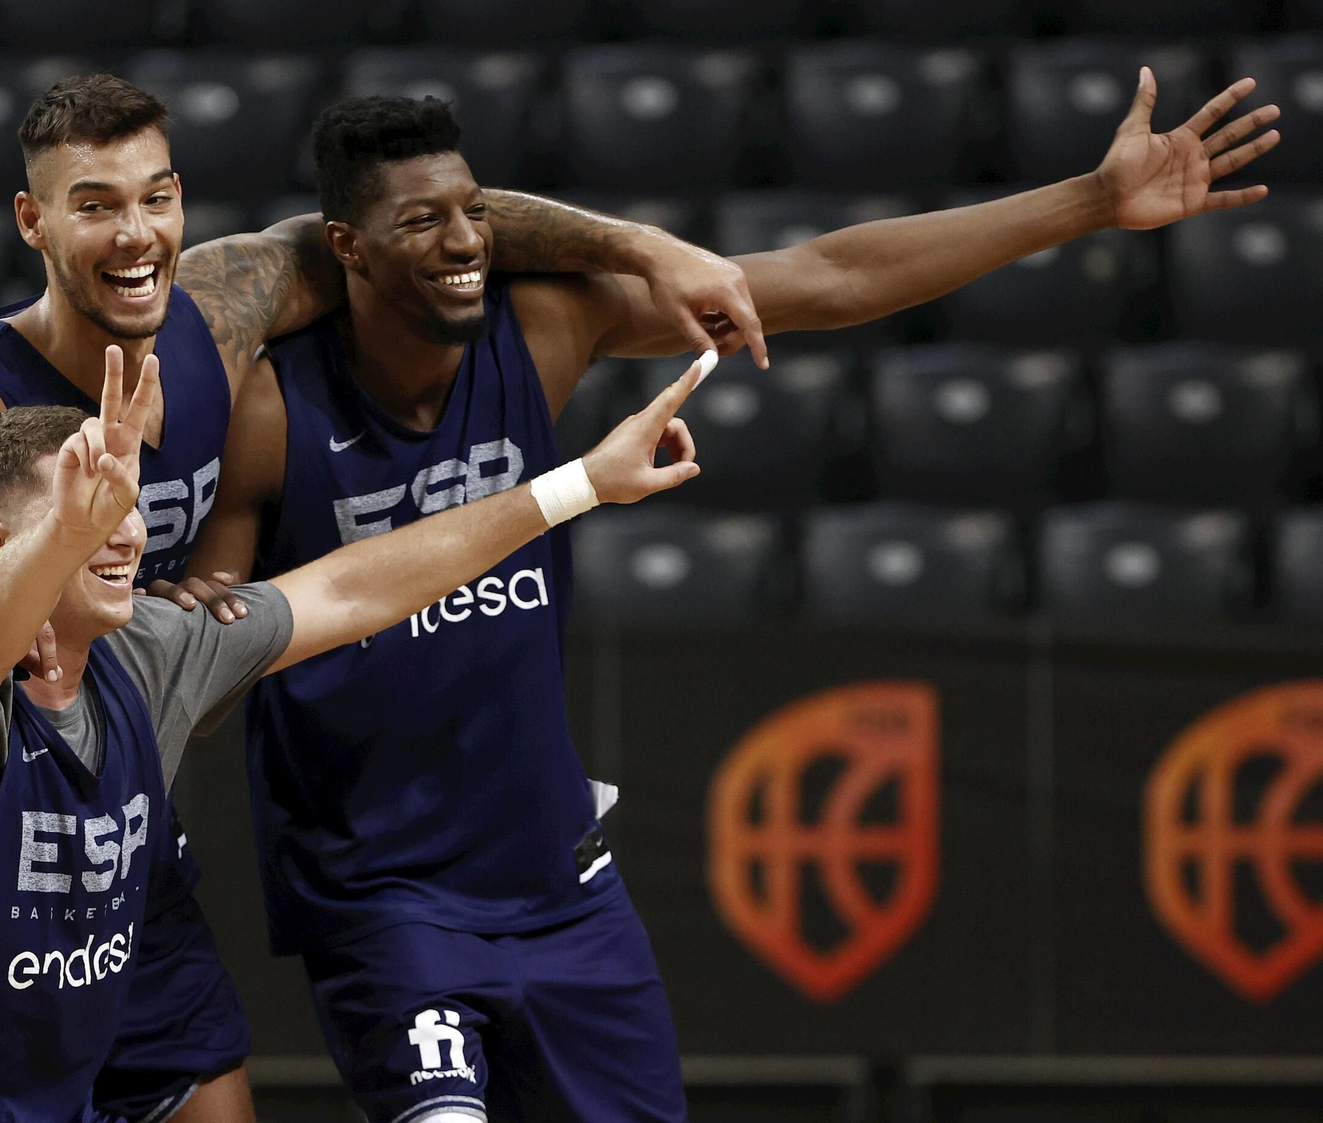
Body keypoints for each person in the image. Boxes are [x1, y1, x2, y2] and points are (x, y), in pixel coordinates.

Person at [178, 75, 1281, 1123]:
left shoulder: (542, 331)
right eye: (422, 224)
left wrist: (1089, 202)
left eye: (474, 214)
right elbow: (211, 659)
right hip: (384, 900)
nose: (465, 243)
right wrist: (189, 625)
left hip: (560, 885)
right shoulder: (273, 416)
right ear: (346, 250)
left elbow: (828, 276)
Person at [0, 74, 763, 1123]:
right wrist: (4, 613)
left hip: (119, 835)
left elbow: (421, 241)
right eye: (94, 204)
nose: (136, 233)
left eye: (158, 195)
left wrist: (639, 261)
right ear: (31, 223)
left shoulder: (218, 330)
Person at [0, 346, 707, 1123]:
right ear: (1, 544)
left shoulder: (148, 652)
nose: (126, 531)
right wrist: (65, 536)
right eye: (91, 506)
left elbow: (349, 586)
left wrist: (579, 484)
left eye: (130, 503)